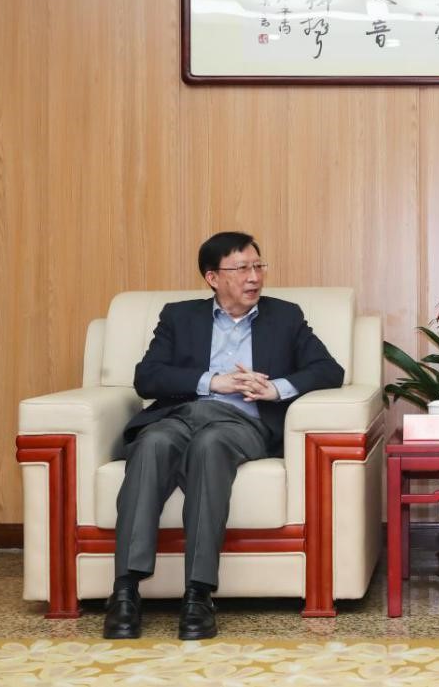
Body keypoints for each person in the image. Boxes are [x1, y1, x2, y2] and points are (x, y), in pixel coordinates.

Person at [103, 231, 344, 640]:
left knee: (209, 446)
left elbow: (328, 369)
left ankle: (198, 594)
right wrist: (213, 382)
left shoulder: (284, 316)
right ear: (213, 278)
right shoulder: (179, 317)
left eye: (258, 266)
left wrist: (275, 389)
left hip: (240, 424)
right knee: (152, 443)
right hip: (180, 415)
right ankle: (125, 590)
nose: (254, 277)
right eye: (242, 268)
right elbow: (148, 377)